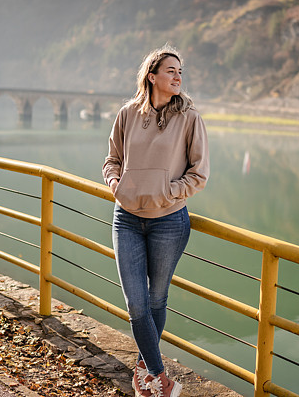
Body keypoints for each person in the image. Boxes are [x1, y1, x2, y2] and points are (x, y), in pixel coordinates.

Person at [103, 45, 209, 397]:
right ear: (151, 76)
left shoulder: (190, 118)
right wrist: (117, 184)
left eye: (181, 72)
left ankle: (143, 373)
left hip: (168, 222)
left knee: (156, 300)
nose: (178, 77)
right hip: (127, 220)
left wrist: (168, 192)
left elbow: (199, 174)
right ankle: (160, 379)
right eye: (171, 71)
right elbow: (112, 160)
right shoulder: (127, 114)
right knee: (136, 304)